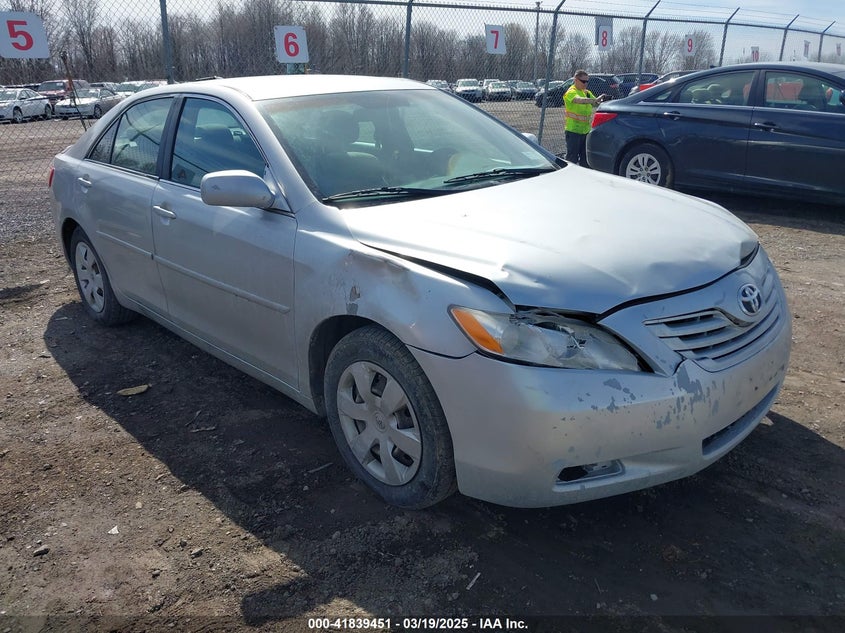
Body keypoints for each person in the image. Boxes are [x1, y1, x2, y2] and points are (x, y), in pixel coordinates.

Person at [563, 70, 608, 167]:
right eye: (583, 81)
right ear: (576, 80)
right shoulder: (571, 92)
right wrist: (594, 100)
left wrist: (603, 100)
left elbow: (596, 103)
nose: (585, 84)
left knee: (585, 158)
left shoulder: (586, 93)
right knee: (572, 158)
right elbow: (579, 100)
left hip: (585, 131)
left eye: (587, 81)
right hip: (573, 131)